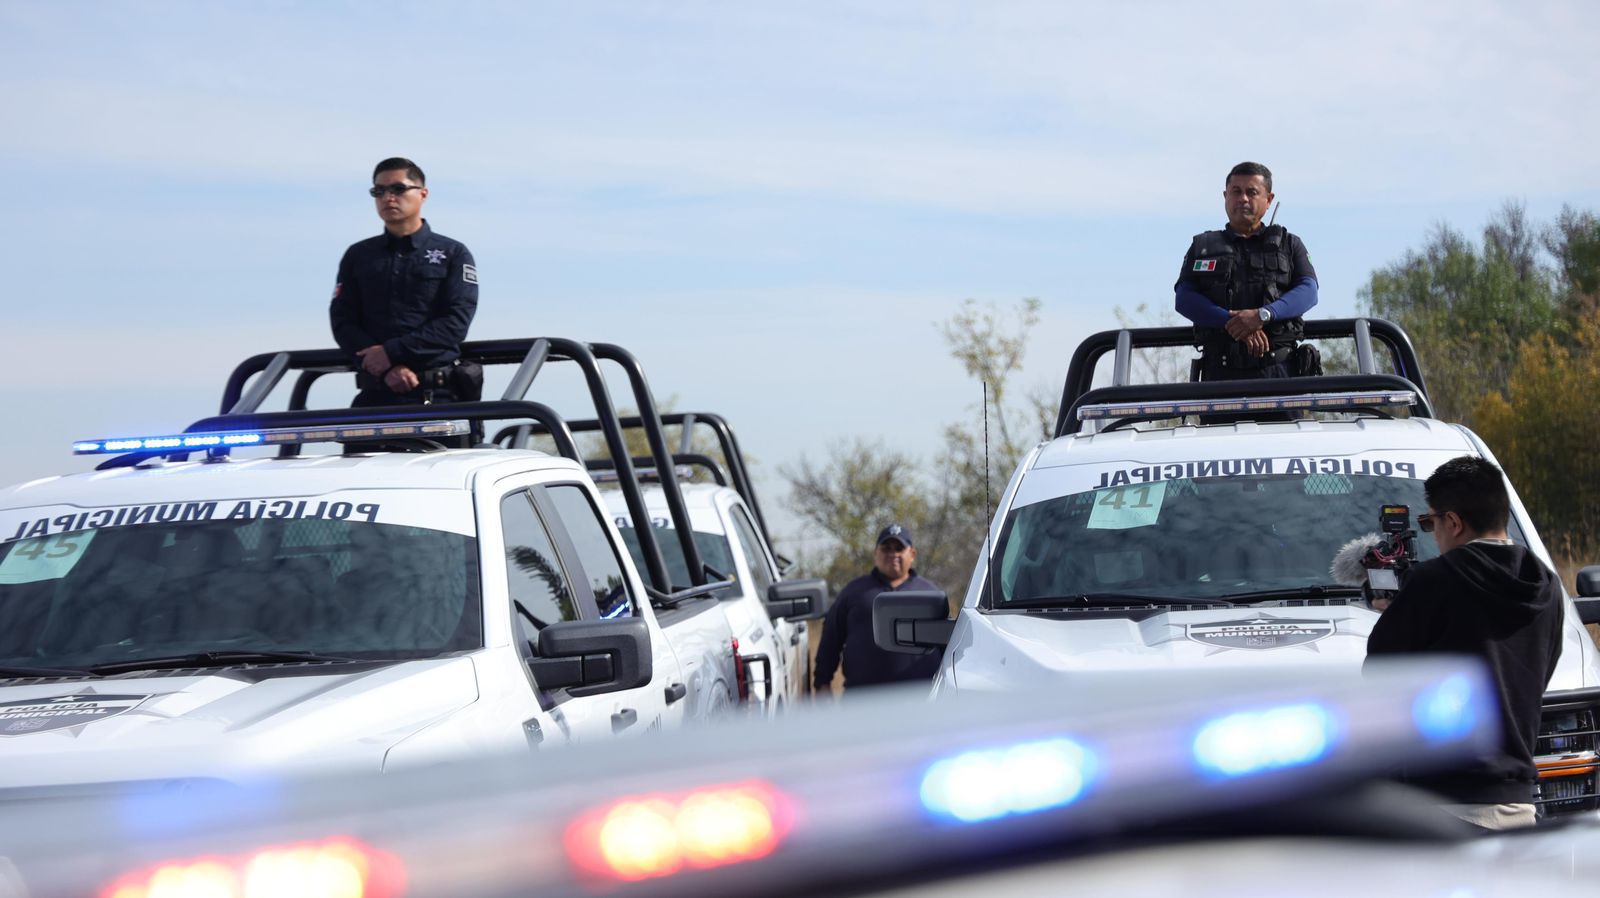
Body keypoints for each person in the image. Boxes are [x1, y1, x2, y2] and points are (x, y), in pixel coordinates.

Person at [1365, 456, 1563, 830]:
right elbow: (1535, 675)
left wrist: (1397, 614)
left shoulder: (1432, 581)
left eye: (1430, 522)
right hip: (1518, 806)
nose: (1433, 534)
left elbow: (1380, 676)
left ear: (1454, 522)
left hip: (1443, 807)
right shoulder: (1548, 586)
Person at [329, 157, 480, 410]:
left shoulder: (453, 253)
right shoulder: (358, 255)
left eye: (398, 189)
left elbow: (456, 321)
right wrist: (386, 366)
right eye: (379, 191)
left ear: (423, 194)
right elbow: (343, 321)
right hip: (374, 396)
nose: (388, 198)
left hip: (439, 396)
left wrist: (392, 353)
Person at [1174, 161, 1319, 381]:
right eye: (1236, 191)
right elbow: (1184, 298)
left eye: (1252, 192)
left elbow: (1308, 291)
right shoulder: (1202, 247)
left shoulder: (1289, 244)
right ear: (1225, 196)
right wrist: (1234, 323)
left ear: (1269, 199)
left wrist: (1263, 315)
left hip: (1280, 373)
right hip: (1219, 374)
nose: (1243, 198)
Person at [812, 523, 943, 695]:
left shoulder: (930, 594)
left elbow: (947, 645)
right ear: (876, 553)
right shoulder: (854, 591)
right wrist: (822, 681)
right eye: (886, 548)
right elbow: (831, 637)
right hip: (863, 700)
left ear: (912, 554)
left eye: (899, 548)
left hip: (920, 698)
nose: (893, 554)